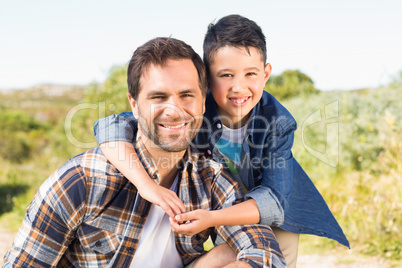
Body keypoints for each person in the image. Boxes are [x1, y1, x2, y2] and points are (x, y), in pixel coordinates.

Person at [4, 37, 286, 268]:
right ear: (134, 104)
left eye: (186, 95)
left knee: (236, 255)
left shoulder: (210, 179)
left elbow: (267, 255)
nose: (174, 111)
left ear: (203, 103)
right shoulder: (82, 179)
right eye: (158, 97)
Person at [94, 15, 349, 267]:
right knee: (229, 253)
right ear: (206, 76)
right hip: (221, 196)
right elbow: (110, 126)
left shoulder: (277, 121)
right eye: (226, 75)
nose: (239, 87)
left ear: (266, 73)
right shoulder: (193, 106)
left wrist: (212, 218)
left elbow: (273, 200)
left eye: (251, 74)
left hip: (273, 206)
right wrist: (145, 184)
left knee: (275, 257)